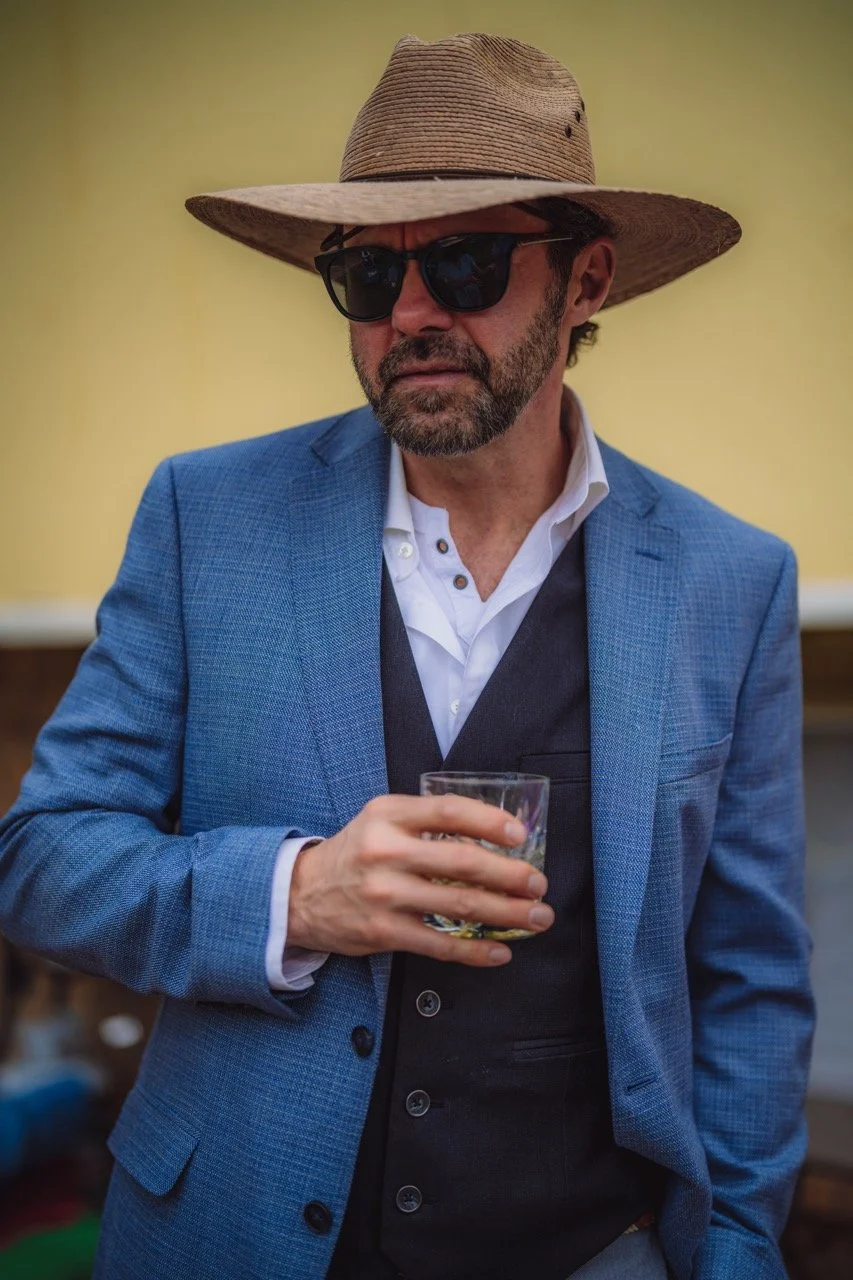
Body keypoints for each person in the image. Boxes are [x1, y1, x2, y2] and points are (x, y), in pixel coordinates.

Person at [0, 32, 813, 1280]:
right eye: (368, 277)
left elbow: (747, 974)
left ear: (585, 279)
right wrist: (293, 892)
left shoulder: (728, 577)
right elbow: (44, 858)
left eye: (467, 261)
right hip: (237, 1234)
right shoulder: (202, 516)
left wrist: (742, 1248)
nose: (414, 315)